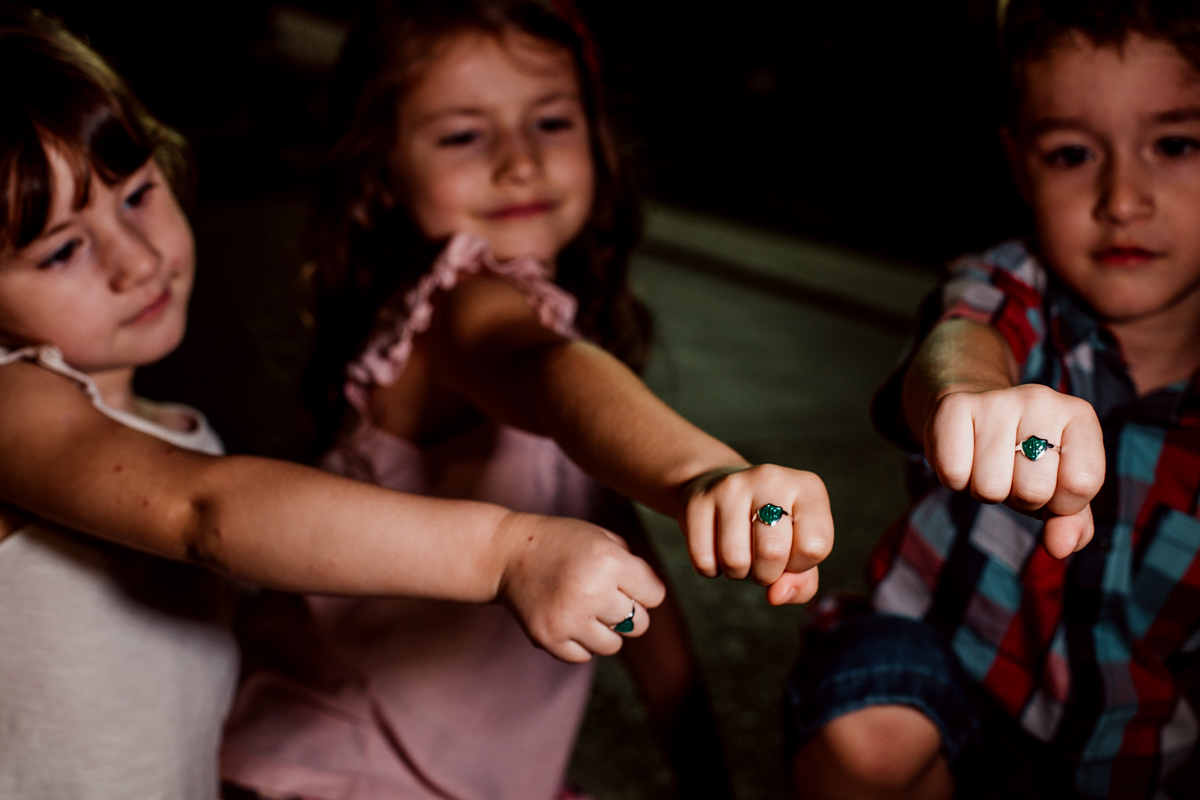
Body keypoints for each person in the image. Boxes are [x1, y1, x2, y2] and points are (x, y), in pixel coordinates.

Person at [0, 10, 674, 799]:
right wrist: (508, 551)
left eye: (139, 193)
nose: (136, 258)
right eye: (62, 249)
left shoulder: (167, 431)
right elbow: (204, 513)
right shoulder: (11, 406)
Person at [218, 1, 836, 798]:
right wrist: (706, 472)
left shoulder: (528, 306)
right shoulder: (462, 304)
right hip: (340, 771)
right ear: (380, 169)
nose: (518, 162)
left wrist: (704, 773)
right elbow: (545, 372)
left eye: (550, 122)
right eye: (463, 135)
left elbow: (632, 569)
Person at [785, 1, 1200, 798]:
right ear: (1018, 164)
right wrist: (970, 394)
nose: (1123, 197)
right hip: (938, 684)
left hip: (1128, 765)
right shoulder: (1013, 284)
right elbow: (961, 333)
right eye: (1073, 153)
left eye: (1175, 144)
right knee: (867, 735)